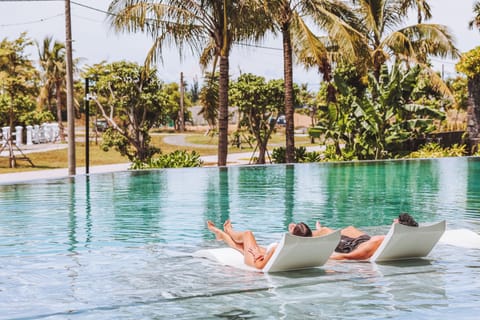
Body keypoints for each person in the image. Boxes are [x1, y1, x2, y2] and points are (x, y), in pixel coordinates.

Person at [207, 220, 312, 270]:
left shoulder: (277, 248)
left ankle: (229, 231)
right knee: (242, 245)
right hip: (267, 255)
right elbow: (301, 235)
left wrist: (258, 255)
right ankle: (221, 234)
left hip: (255, 262)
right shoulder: (301, 247)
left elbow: (260, 266)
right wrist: (294, 230)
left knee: (247, 234)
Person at [312, 213, 419, 261]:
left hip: (352, 245)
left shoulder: (378, 242)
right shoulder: (404, 241)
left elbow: (348, 256)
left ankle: (317, 231)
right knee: (350, 229)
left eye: (396, 220)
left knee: (325, 230)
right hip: (365, 240)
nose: (393, 220)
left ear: (398, 226)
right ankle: (321, 230)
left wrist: (324, 257)